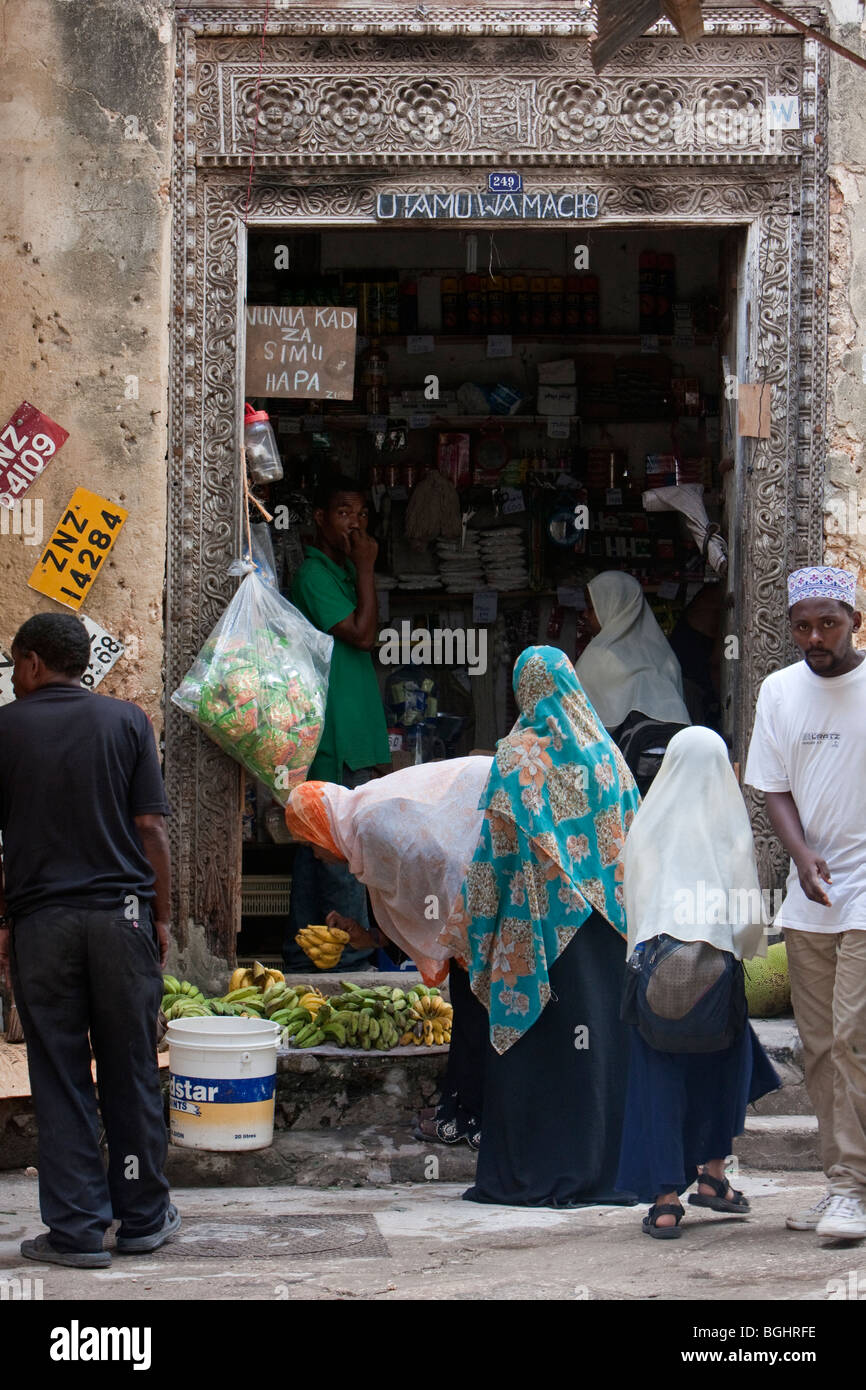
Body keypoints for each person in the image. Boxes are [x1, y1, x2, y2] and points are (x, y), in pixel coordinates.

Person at [0, 613, 179, 1268]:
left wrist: (5, 925)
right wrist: (160, 917)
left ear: (34, 662)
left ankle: (76, 1229)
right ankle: (139, 1216)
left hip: (43, 925)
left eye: (17, 665)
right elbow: (152, 831)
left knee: (61, 1074)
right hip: (123, 917)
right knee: (130, 1068)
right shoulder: (128, 722)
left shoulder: (5, 729)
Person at [440, 645, 643, 1207]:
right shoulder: (610, 758)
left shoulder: (517, 757)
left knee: (543, 1055)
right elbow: (636, 843)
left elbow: (496, 855)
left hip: (538, 936)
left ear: (523, 692)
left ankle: (538, 1171)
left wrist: (468, 931)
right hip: (609, 935)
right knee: (598, 1050)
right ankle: (607, 1171)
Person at [615, 726, 780, 1239]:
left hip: (657, 976)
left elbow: (633, 903)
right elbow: (748, 916)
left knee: (659, 1080)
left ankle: (666, 1202)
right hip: (714, 976)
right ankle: (713, 1175)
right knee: (725, 1065)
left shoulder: (649, 824)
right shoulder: (728, 825)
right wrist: (741, 950)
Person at [744, 565, 866, 1239]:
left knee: (854, 1037)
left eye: (828, 623)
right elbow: (774, 788)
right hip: (811, 896)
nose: (815, 637)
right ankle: (841, 1182)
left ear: (854, 621)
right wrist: (799, 853)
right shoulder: (779, 691)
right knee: (819, 1046)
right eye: (802, 626)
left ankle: (854, 1185)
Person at [285, 758, 494, 1148]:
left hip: (472, 893)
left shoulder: (368, 826)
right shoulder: (361, 823)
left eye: (308, 843)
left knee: (476, 1014)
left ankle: (472, 1117)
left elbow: (428, 874)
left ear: (320, 828)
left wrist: (457, 931)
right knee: (469, 1013)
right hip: (465, 899)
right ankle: (459, 1108)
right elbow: (411, 888)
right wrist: (368, 937)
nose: (314, 856)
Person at [284, 474, 391, 972]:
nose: (356, 523)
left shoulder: (341, 571)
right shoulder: (315, 574)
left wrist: (361, 568)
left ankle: (305, 959)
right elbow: (362, 635)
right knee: (343, 857)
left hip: (349, 737)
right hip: (332, 739)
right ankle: (348, 967)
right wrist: (368, 566)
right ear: (322, 520)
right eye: (345, 512)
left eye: (363, 513)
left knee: (317, 854)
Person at [575, 571, 691, 792]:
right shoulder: (665, 655)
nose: (585, 615)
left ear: (612, 607)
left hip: (628, 777)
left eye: (591, 608)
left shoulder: (597, 656)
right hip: (678, 761)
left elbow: (582, 728)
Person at [669, 581, 723, 729]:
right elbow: (716, 662)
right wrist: (724, 703)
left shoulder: (714, 595)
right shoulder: (722, 602)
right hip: (692, 684)